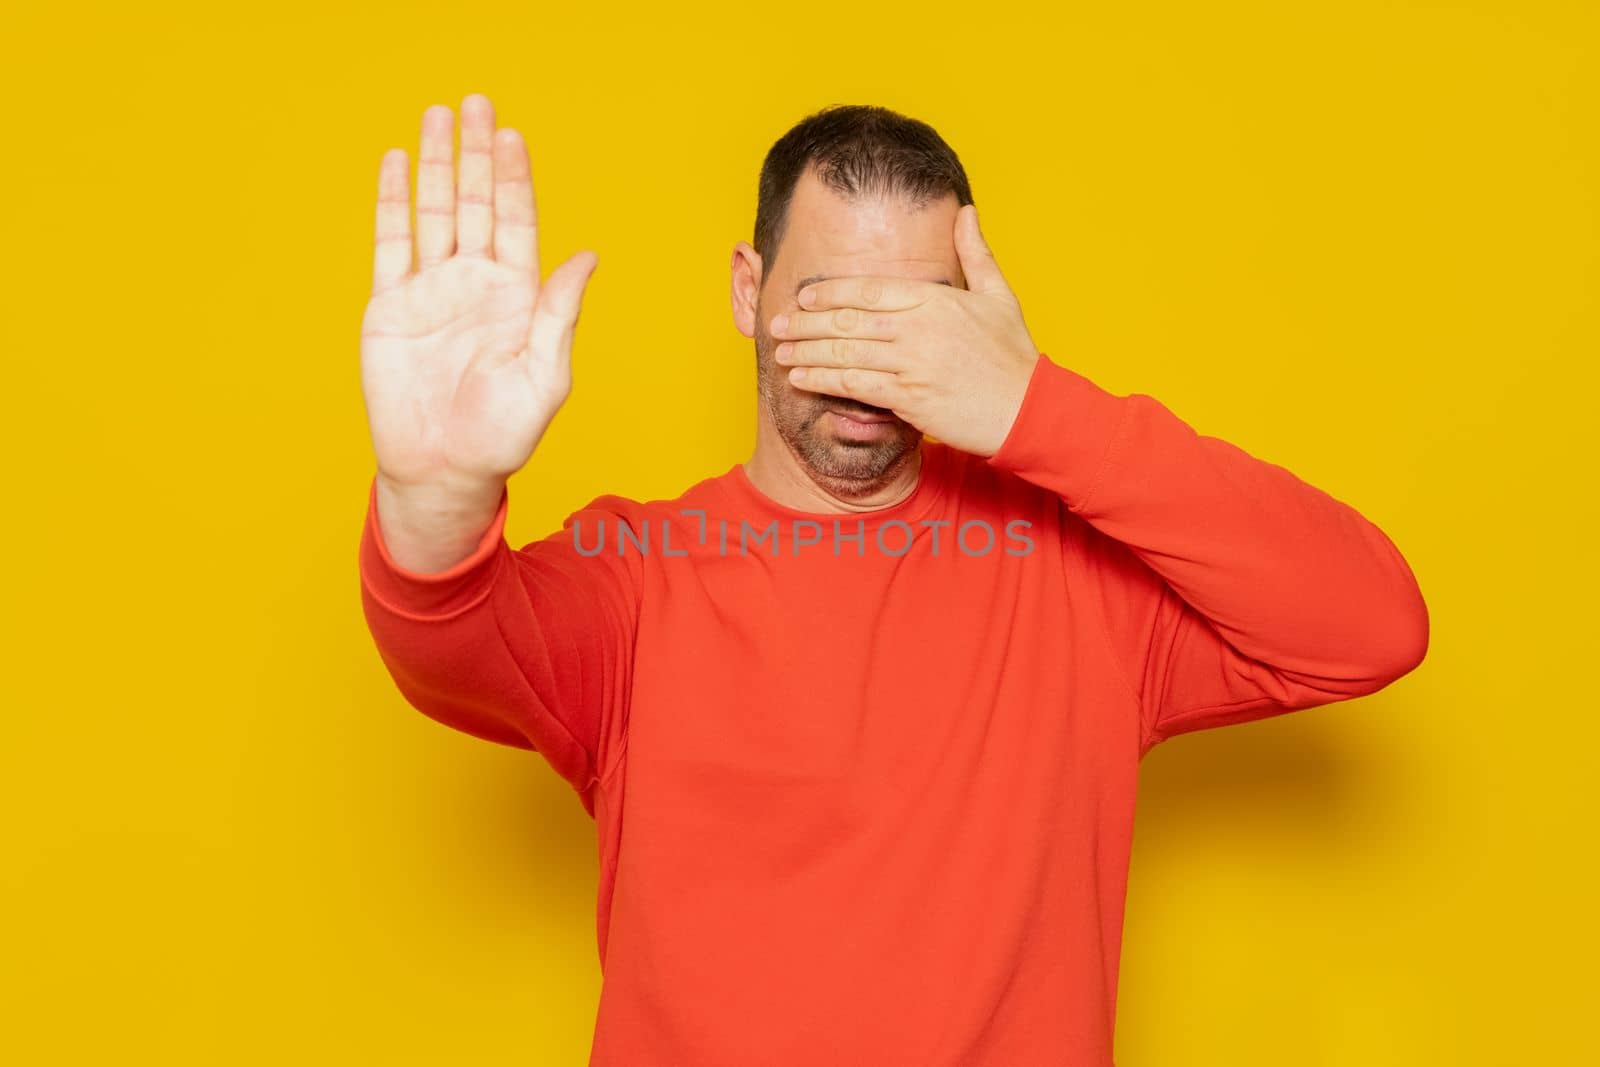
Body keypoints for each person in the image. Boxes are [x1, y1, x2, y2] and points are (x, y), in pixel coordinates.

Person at [356, 93, 1429, 1066]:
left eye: (915, 318)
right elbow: (450, 638)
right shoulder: (639, 578)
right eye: (828, 303)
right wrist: (434, 490)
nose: (867, 361)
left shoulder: (1076, 577)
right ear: (747, 289)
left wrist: (1034, 406)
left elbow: (1367, 624)